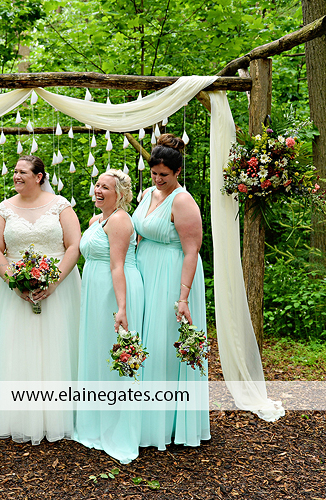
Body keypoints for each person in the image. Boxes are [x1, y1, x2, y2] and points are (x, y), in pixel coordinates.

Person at [0, 155, 82, 444]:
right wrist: (14, 282)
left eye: (22, 171)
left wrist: (54, 281)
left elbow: (74, 246)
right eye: (15, 171)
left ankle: (58, 414)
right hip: (12, 290)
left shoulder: (61, 206)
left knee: (57, 347)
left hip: (59, 287)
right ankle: (14, 415)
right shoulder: (4, 209)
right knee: (13, 348)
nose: (16, 175)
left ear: (39, 177)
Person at [132, 133, 210, 449]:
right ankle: (142, 418)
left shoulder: (183, 201)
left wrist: (183, 297)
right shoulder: (148, 194)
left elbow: (192, 251)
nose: (158, 179)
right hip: (145, 272)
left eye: (164, 174)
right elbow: (138, 233)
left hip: (172, 274)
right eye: (154, 173)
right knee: (145, 340)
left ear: (177, 171)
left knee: (166, 343)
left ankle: (169, 424)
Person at [75, 169, 144, 464]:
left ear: (120, 194)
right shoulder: (96, 221)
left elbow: (118, 265)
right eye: (97, 185)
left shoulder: (120, 220)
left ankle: (118, 428)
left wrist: (122, 307)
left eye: (105, 187)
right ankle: (96, 423)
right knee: (97, 351)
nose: (98, 190)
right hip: (95, 291)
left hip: (115, 291)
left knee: (115, 354)